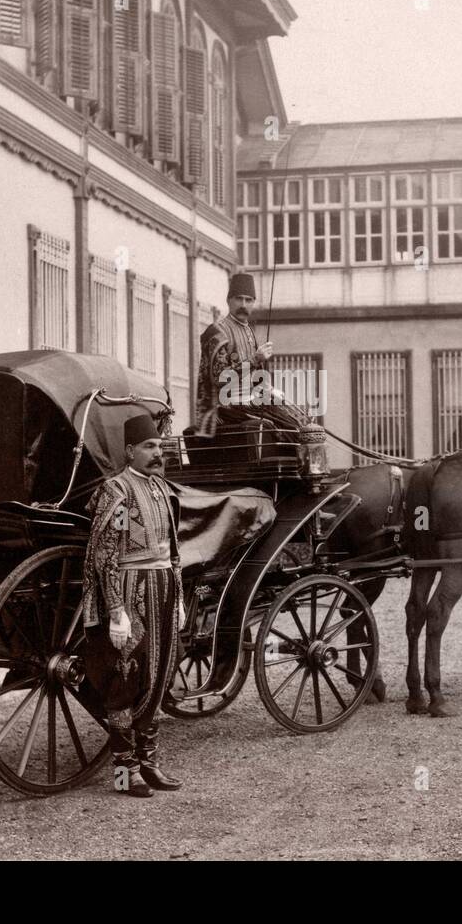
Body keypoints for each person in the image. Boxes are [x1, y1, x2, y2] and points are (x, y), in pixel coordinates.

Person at [79, 413, 185, 797]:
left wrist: (180, 600)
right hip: (130, 588)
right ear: (129, 452)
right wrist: (116, 610)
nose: (157, 453)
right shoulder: (118, 492)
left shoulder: (160, 489)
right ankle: (125, 772)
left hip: (163, 588)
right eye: (148, 447)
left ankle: (150, 763)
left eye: (158, 446)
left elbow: (173, 549)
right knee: (126, 679)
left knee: (157, 679)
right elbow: (105, 555)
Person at [194, 271, 308, 438]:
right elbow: (219, 378)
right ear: (228, 300)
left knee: (301, 422)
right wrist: (255, 359)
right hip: (226, 407)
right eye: (239, 299)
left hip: (251, 402)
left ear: (253, 303)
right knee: (287, 428)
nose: (244, 304)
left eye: (249, 300)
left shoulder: (248, 330)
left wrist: (270, 390)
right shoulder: (217, 331)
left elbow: (255, 376)